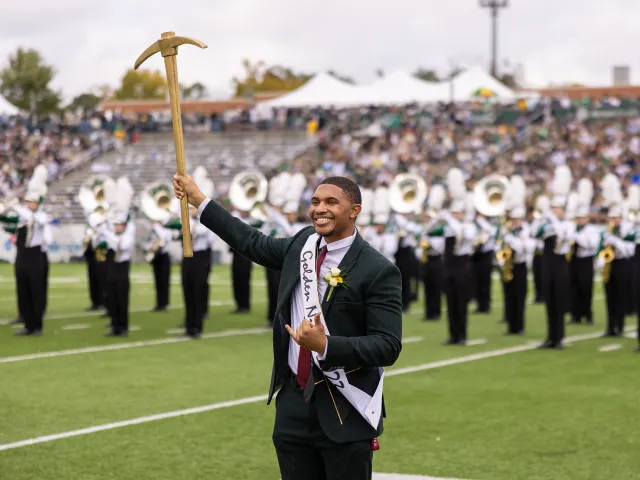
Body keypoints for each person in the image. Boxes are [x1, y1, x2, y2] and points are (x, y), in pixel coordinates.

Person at [173, 173, 402, 480]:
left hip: (345, 407)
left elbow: (387, 345)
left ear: (354, 210)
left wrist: (326, 346)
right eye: (316, 201)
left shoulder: (379, 269)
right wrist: (200, 200)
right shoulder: (301, 245)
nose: (320, 208)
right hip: (294, 403)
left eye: (332, 202)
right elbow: (251, 242)